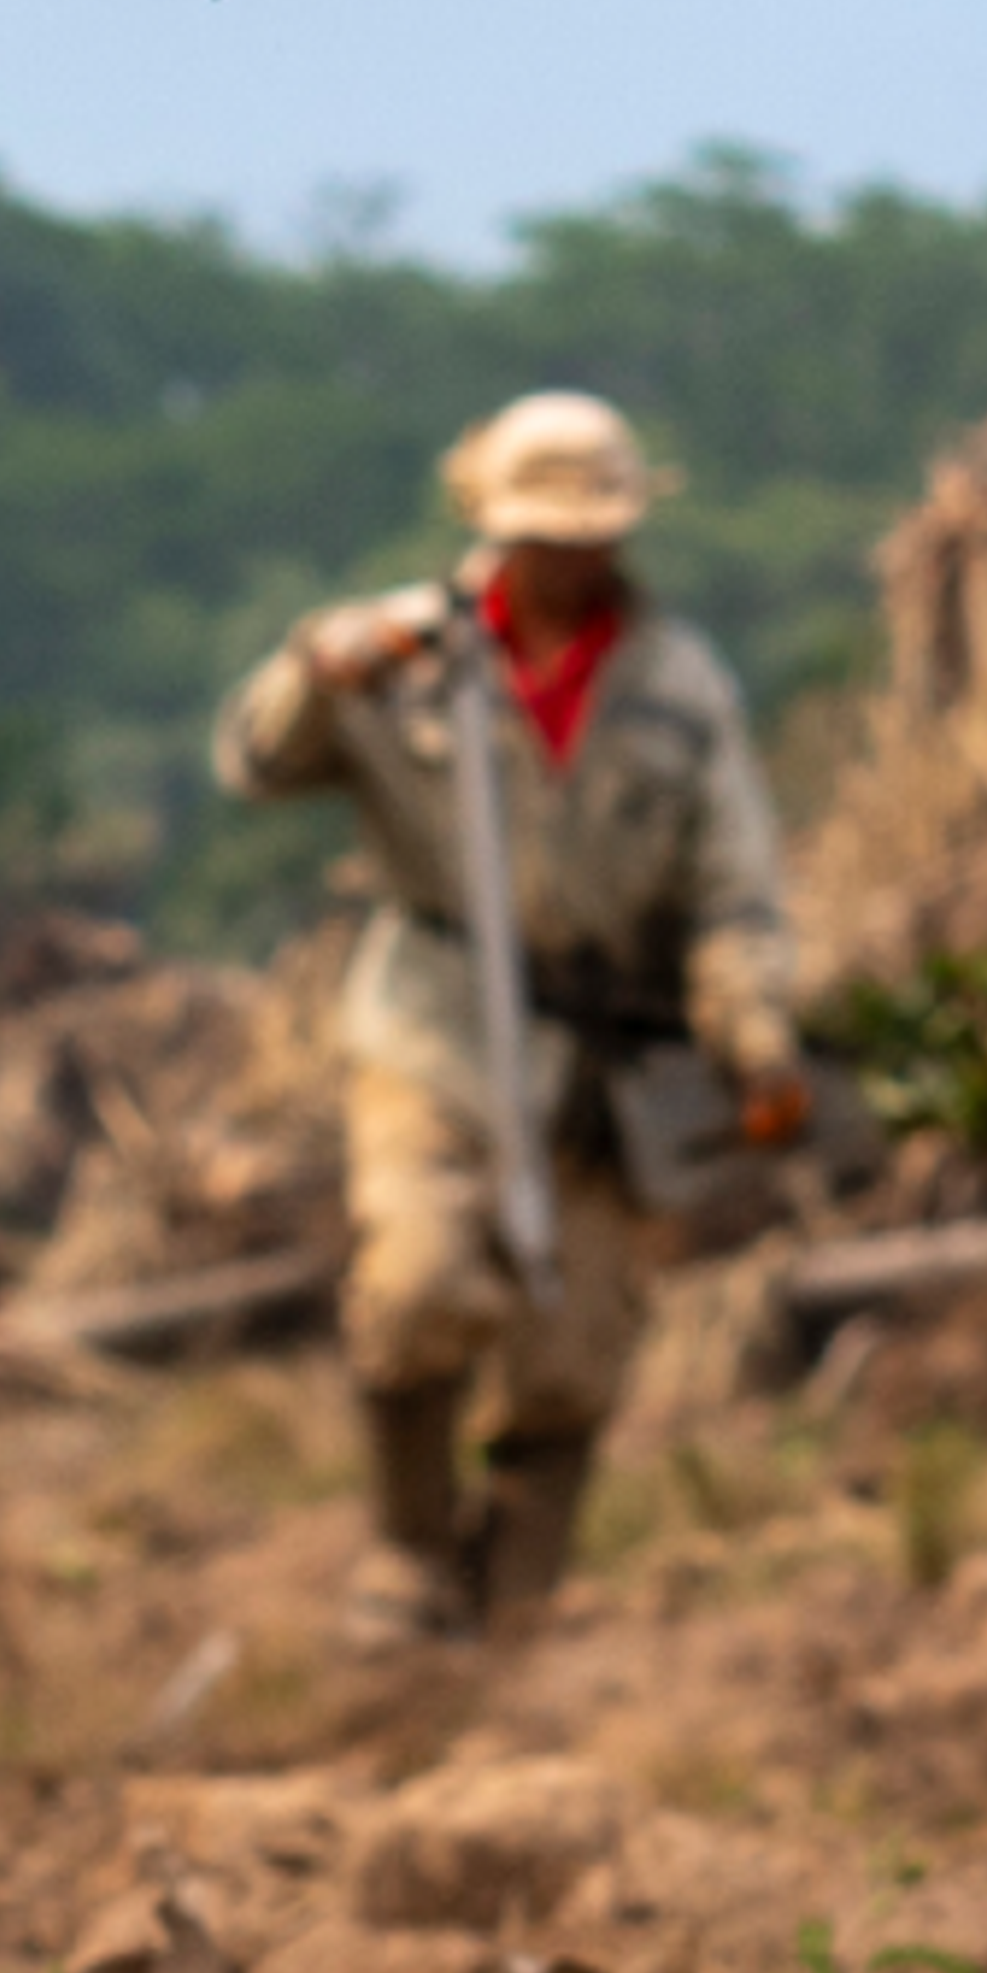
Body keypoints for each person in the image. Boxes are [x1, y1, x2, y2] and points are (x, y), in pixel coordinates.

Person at [214, 392, 806, 1645]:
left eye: (592, 531)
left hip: (604, 1051)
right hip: (433, 1027)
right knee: (421, 1277)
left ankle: (515, 1611)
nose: (570, 556)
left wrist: (754, 1038)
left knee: (573, 1350)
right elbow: (257, 767)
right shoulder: (402, 654)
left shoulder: (680, 688)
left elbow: (733, 886)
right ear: (490, 523)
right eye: (546, 532)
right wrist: (317, 676)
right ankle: (408, 1558)